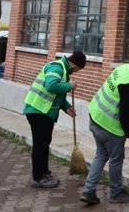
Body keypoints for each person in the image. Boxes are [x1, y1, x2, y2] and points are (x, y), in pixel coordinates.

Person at [79, 59, 129, 205]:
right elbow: (124, 115)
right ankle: (116, 193)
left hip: (96, 116)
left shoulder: (125, 68)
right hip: (110, 126)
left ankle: (88, 191)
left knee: (101, 154)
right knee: (116, 159)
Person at [23, 50, 87, 188]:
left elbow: (59, 96)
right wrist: (69, 86)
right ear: (75, 66)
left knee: (44, 143)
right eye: (77, 70)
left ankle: (44, 173)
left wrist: (67, 108)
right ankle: (38, 178)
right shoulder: (56, 67)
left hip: (44, 112)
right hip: (38, 110)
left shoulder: (63, 70)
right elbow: (51, 86)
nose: (75, 72)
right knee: (40, 145)